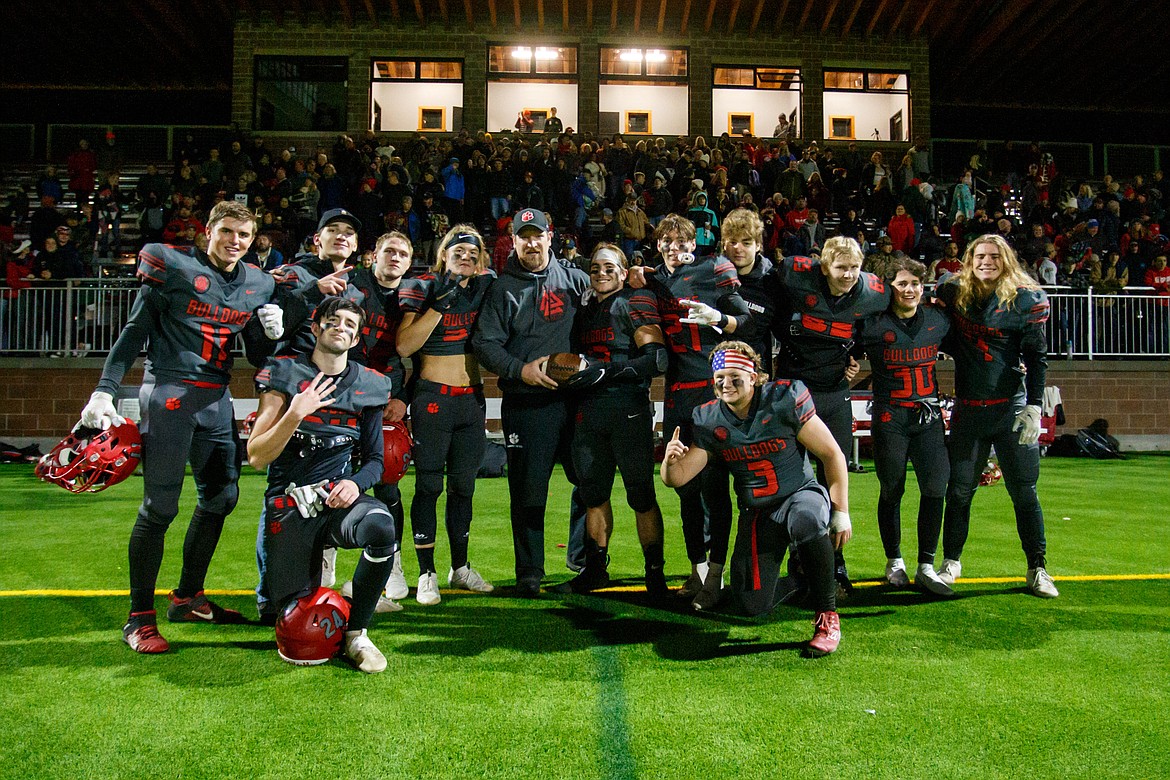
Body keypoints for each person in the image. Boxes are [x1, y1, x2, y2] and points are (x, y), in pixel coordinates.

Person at [80, 201, 285, 653]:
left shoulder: (257, 282)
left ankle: (188, 596)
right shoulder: (172, 266)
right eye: (227, 231)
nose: (235, 242)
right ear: (208, 230)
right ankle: (138, 618)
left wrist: (270, 335)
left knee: (222, 497)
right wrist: (105, 389)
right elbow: (134, 331)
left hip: (216, 397)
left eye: (245, 236)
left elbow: (255, 355)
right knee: (160, 508)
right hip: (170, 392)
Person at [660, 341, 850, 657]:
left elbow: (831, 454)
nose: (726, 383)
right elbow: (677, 478)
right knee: (751, 605)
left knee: (807, 519)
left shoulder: (783, 399)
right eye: (719, 377)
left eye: (734, 376)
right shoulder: (709, 419)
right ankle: (802, 579)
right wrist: (669, 463)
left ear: (754, 376)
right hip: (758, 513)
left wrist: (840, 510)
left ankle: (827, 617)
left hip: (799, 496)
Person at [247, 296, 396, 673]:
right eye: (333, 320)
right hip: (291, 500)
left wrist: (354, 483)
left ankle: (357, 632)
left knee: (381, 526)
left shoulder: (370, 385)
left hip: (336, 496)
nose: (341, 327)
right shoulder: (282, 373)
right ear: (315, 328)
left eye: (350, 323)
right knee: (292, 616)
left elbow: (376, 461)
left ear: (357, 336)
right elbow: (256, 455)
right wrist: (295, 412)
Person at [627, 215, 751, 610]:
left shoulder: (715, 269)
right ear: (659, 244)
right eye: (668, 242)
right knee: (684, 487)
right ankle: (697, 569)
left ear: (694, 244)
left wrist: (719, 319)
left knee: (717, 489)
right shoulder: (654, 278)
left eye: (683, 243)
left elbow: (746, 320)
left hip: (714, 393)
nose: (675, 249)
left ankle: (717, 574)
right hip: (678, 396)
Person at [472, 208, 589, 597]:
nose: (532, 242)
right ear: (514, 241)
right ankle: (529, 572)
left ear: (550, 237)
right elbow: (485, 343)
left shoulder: (575, 278)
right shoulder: (502, 288)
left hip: (576, 402)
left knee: (590, 482)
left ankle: (586, 560)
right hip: (526, 403)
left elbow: (610, 294)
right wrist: (519, 370)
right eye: (524, 237)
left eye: (538, 235)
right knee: (527, 491)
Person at [933, 234, 1058, 598]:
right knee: (958, 492)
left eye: (994, 256)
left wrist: (1034, 404)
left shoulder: (1025, 298)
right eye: (980, 255)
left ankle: (1038, 567)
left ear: (1006, 259)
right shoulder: (954, 291)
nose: (986, 262)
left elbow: (1036, 357)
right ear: (969, 259)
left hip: (1009, 408)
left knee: (1024, 492)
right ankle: (951, 562)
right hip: (970, 409)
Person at [768, 235, 890, 596]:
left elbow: (886, 320)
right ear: (824, 266)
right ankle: (795, 561)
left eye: (854, 267)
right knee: (791, 480)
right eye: (841, 267)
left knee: (832, 478)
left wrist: (855, 356)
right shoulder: (795, 274)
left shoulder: (872, 293)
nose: (849, 274)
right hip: (794, 394)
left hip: (834, 392)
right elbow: (765, 295)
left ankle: (835, 565)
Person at [559, 243, 669, 598]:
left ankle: (654, 574)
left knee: (640, 494)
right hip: (589, 412)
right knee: (593, 494)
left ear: (624, 271)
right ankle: (594, 569)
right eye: (595, 268)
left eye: (610, 268)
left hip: (628, 410)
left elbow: (656, 360)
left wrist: (607, 371)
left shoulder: (635, 302)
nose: (601, 273)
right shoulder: (587, 309)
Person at [397, 225, 497, 604]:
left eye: (473, 253)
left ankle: (460, 568)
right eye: (459, 252)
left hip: (471, 398)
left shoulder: (485, 286)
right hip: (432, 397)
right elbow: (405, 345)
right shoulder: (423, 287)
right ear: (444, 254)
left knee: (464, 488)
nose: (466, 258)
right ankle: (427, 573)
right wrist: (441, 303)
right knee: (428, 486)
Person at [857, 257, 953, 595]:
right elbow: (844, 349)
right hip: (890, 417)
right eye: (902, 283)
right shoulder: (871, 324)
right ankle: (894, 559)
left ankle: (926, 563)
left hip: (927, 416)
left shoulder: (939, 320)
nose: (910, 290)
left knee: (935, 486)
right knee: (892, 488)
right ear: (888, 287)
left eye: (915, 283)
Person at [340, 231, 416, 609]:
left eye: (403, 253)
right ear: (373, 255)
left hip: (386, 399)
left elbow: (423, 353)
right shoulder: (351, 284)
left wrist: (404, 396)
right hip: (343, 397)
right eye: (389, 251)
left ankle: (392, 564)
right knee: (331, 482)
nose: (396, 258)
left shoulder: (414, 295)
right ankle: (325, 573)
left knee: (387, 483)